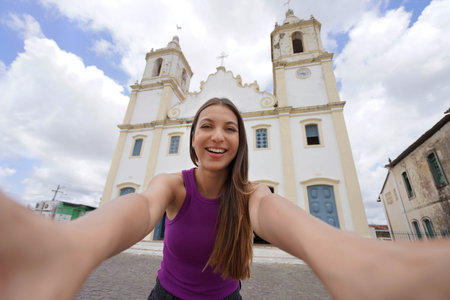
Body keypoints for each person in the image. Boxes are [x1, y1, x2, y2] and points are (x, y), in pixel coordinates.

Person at [0, 98, 449, 300]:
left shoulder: (253, 194)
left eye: (231, 127)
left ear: (242, 141)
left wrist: (364, 264)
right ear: (192, 138)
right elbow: (139, 208)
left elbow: (288, 221)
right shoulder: (171, 184)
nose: (218, 135)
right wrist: (72, 245)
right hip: (166, 297)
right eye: (206, 125)